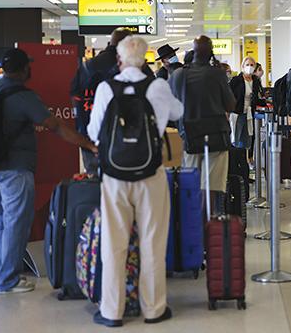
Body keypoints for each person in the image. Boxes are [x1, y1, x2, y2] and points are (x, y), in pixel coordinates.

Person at [87, 36, 183, 327]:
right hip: (150, 175)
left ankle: (111, 311)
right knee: (153, 242)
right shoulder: (157, 86)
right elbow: (178, 113)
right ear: (144, 59)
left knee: (113, 244)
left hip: (114, 176)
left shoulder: (106, 88)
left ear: (119, 59)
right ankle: (154, 309)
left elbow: (94, 133)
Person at [0, 48, 97, 295]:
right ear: (25, 69)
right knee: (16, 224)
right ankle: (7, 280)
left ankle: (4, 274)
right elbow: (54, 125)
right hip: (15, 169)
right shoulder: (24, 96)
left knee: (1, 223)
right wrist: (88, 144)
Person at [169, 35, 235, 216]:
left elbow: (170, 106)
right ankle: (207, 220)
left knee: (192, 181)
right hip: (217, 135)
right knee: (211, 184)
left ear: (192, 51)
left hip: (190, 136)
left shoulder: (178, 75)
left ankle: (192, 223)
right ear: (211, 52)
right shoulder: (218, 74)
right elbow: (230, 105)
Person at [70, 27, 132, 175]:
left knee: (93, 180)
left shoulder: (86, 67)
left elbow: (74, 98)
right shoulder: (130, 68)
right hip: (124, 137)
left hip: (89, 135)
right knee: (123, 179)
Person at [228, 57, 263, 149]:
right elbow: (229, 95)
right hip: (237, 113)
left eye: (252, 65)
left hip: (249, 114)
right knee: (235, 138)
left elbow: (258, 96)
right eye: (247, 65)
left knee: (247, 140)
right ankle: (235, 161)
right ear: (243, 66)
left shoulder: (255, 81)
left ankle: (245, 159)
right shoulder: (236, 80)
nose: (249, 67)